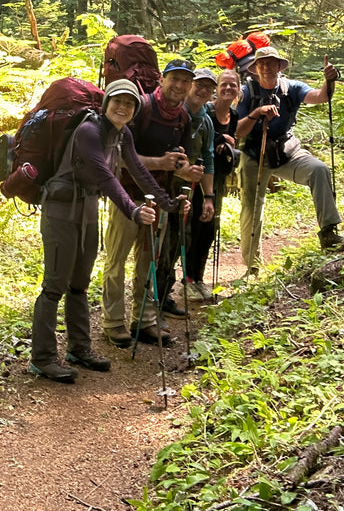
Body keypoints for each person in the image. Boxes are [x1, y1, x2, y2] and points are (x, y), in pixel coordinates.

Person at [30, 79, 180, 383]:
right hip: (60, 207)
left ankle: (79, 348)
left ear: (135, 109)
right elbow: (106, 178)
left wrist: (169, 203)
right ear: (106, 102)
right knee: (55, 285)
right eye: (118, 101)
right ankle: (43, 358)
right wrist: (133, 211)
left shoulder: (122, 134)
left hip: (85, 206)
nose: (123, 107)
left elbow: (137, 170)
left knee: (79, 282)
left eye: (129, 103)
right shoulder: (89, 131)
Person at [102, 58, 200, 348]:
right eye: (175, 79)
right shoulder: (141, 107)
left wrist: (181, 170)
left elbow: (176, 162)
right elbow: (115, 155)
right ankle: (113, 322)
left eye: (185, 81)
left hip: (160, 199)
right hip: (126, 196)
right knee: (116, 262)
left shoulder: (182, 117)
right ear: (162, 79)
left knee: (148, 263)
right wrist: (160, 162)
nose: (179, 86)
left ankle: (143, 320)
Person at [236, 47, 342, 274]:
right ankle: (252, 266)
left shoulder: (290, 87)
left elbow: (321, 97)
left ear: (278, 66)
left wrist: (329, 81)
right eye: (262, 63)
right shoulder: (247, 92)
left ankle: (328, 232)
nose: (266, 66)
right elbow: (238, 131)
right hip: (254, 154)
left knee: (318, 170)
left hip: (286, 151)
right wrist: (257, 114)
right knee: (252, 208)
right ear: (255, 68)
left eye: (271, 62)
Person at [184, 68, 240, 301]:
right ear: (217, 88)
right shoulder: (204, 110)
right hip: (198, 175)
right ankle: (187, 279)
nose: (227, 88)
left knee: (209, 228)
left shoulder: (234, 116)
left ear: (239, 90)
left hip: (217, 177)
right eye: (223, 84)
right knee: (193, 228)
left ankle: (198, 278)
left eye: (232, 85)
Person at [177, 68, 217, 303]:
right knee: (171, 239)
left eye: (208, 87)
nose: (202, 90)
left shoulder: (205, 121)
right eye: (198, 85)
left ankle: (186, 282)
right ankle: (157, 293)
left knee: (189, 234)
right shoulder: (174, 112)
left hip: (190, 185)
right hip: (168, 184)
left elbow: (208, 156)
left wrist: (209, 197)